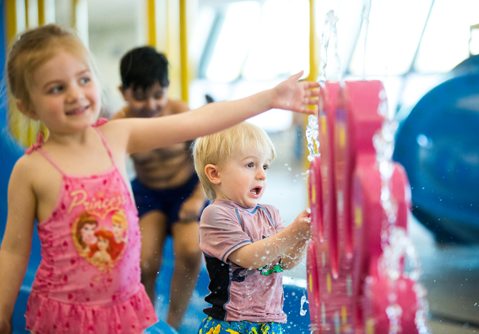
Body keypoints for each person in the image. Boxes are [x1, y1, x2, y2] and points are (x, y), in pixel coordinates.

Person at [0, 24, 318, 334]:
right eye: (57, 88)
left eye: (83, 79)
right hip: (67, 314)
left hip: (123, 305)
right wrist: (1, 312)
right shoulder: (32, 169)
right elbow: (13, 251)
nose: (75, 94)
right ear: (27, 106)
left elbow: (200, 120)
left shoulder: (115, 136)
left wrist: (270, 98)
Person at [112, 46, 205, 329]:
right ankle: (148, 322)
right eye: (140, 97)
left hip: (187, 189)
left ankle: (173, 323)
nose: (151, 105)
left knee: (191, 250)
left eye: (158, 95)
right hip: (147, 194)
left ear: (167, 89)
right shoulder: (120, 124)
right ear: (123, 92)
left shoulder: (180, 113)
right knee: (143, 263)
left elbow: (209, 160)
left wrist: (198, 198)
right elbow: (106, 170)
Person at [192, 122, 312, 334]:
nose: (262, 175)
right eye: (250, 165)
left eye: (265, 166)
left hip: (270, 323)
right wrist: (292, 232)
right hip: (231, 325)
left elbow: (285, 262)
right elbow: (248, 257)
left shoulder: (270, 213)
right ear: (214, 174)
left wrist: (301, 237)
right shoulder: (216, 214)